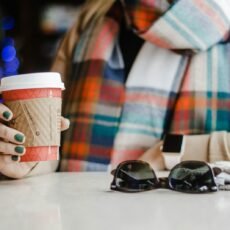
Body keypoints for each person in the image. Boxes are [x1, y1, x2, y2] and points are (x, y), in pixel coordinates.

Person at [0, 0, 229, 178]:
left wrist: (170, 151)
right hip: (82, 216)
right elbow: (55, 146)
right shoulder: (92, 16)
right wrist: (28, 160)